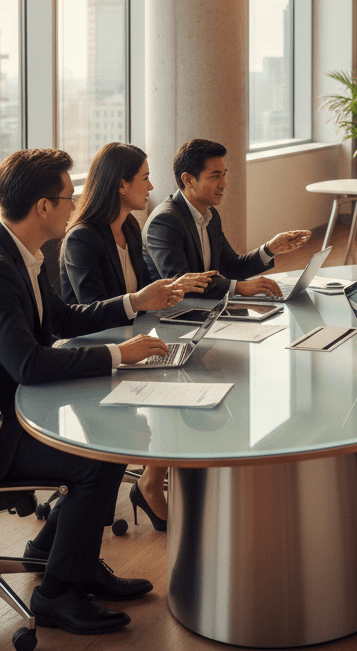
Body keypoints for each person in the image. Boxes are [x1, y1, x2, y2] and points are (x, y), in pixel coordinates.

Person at [0, 149, 188, 636]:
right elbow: (28, 362)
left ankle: (60, 555)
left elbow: (61, 319)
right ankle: (58, 592)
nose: (75, 206)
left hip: (5, 411)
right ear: (43, 206)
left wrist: (133, 302)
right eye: (69, 197)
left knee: (108, 441)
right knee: (96, 458)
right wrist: (118, 356)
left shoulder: (21, 252)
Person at [60, 142, 213, 534]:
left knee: (193, 373)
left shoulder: (129, 227)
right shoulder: (82, 238)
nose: (150, 186)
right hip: (92, 349)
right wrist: (140, 302)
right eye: (144, 178)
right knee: (175, 386)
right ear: (120, 184)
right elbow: (90, 311)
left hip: (128, 340)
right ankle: (148, 481)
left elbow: (144, 295)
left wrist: (170, 290)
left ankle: (152, 476)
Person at [143, 138, 311, 298]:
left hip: (205, 307)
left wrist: (270, 248)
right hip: (171, 317)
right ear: (188, 180)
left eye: (223, 175)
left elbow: (231, 267)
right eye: (215, 176)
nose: (224, 184)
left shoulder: (210, 215)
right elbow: (181, 284)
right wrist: (238, 287)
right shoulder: (165, 221)